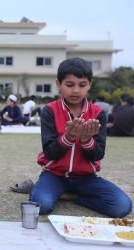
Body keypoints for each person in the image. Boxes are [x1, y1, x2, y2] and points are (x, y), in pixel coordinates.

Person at [29, 57, 132, 218]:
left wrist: (86, 141)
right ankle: (51, 189)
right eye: (69, 85)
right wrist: (68, 138)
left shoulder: (97, 113)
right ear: (58, 84)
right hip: (55, 175)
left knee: (122, 206)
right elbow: (49, 152)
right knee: (40, 205)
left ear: (89, 85)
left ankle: (74, 197)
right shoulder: (50, 110)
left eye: (82, 85)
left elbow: (98, 154)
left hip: (86, 178)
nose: (76, 90)